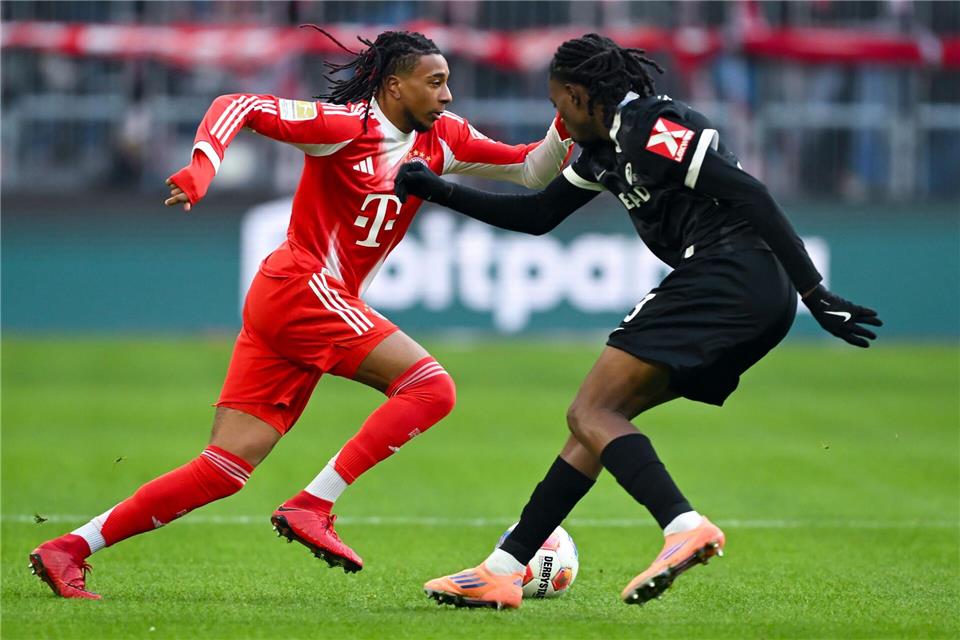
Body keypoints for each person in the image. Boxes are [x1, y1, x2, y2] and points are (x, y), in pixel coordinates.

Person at [28, 29, 573, 600]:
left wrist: (565, 116)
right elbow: (236, 104)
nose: (448, 96)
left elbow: (532, 170)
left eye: (448, 83)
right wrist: (202, 167)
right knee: (431, 389)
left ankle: (68, 547)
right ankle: (313, 504)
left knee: (224, 469)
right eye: (435, 83)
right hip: (301, 287)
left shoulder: (445, 139)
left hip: (299, 304)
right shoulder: (344, 127)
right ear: (394, 86)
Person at [394, 33, 881, 610]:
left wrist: (815, 291)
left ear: (578, 94)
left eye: (559, 106)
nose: (559, 121)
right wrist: (436, 190)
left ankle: (682, 526)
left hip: (731, 273)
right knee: (599, 422)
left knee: (589, 411)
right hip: (741, 288)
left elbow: (749, 193)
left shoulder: (652, 125)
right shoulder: (603, 152)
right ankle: (502, 569)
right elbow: (538, 215)